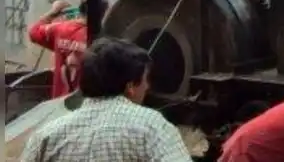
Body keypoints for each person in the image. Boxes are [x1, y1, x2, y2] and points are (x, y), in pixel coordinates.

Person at [20, 37, 191, 162]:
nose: (147, 86)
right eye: (146, 79)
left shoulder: (46, 135)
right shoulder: (152, 127)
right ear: (130, 86)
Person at [28, 0, 108, 99]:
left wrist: (53, 12)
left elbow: (34, 33)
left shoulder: (59, 29)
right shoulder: (102, 38)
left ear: (80, 8)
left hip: (59, 103)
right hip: (85, 104)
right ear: (102, 13)